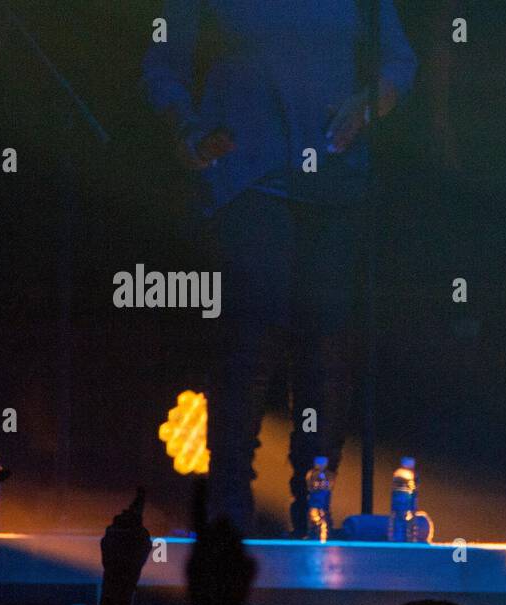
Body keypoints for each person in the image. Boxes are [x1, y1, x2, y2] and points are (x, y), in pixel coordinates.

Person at [142, 1, 417, 535]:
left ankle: (314, 502)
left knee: (327, 351)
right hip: (249, 181)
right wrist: (188, 128)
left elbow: (399, 62)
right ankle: (228, 509)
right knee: (247, 345)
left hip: (337, 185)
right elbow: (162, 62)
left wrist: (367, 105)